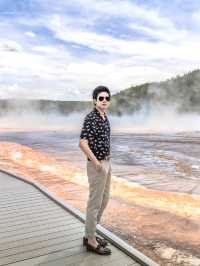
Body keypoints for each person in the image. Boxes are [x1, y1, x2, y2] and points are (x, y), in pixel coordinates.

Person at [79, 86, 112, 255]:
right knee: (94, 203)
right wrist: (97, 163)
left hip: (106, 162)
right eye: (101, 98)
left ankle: (89, 234)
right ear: (94, 100)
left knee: (105, 199)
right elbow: (82, 143)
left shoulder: (104, 116)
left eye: (107, 98)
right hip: (96, 165)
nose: (104, 100)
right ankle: (90, 240)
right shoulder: (91, 117)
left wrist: (106, 160)